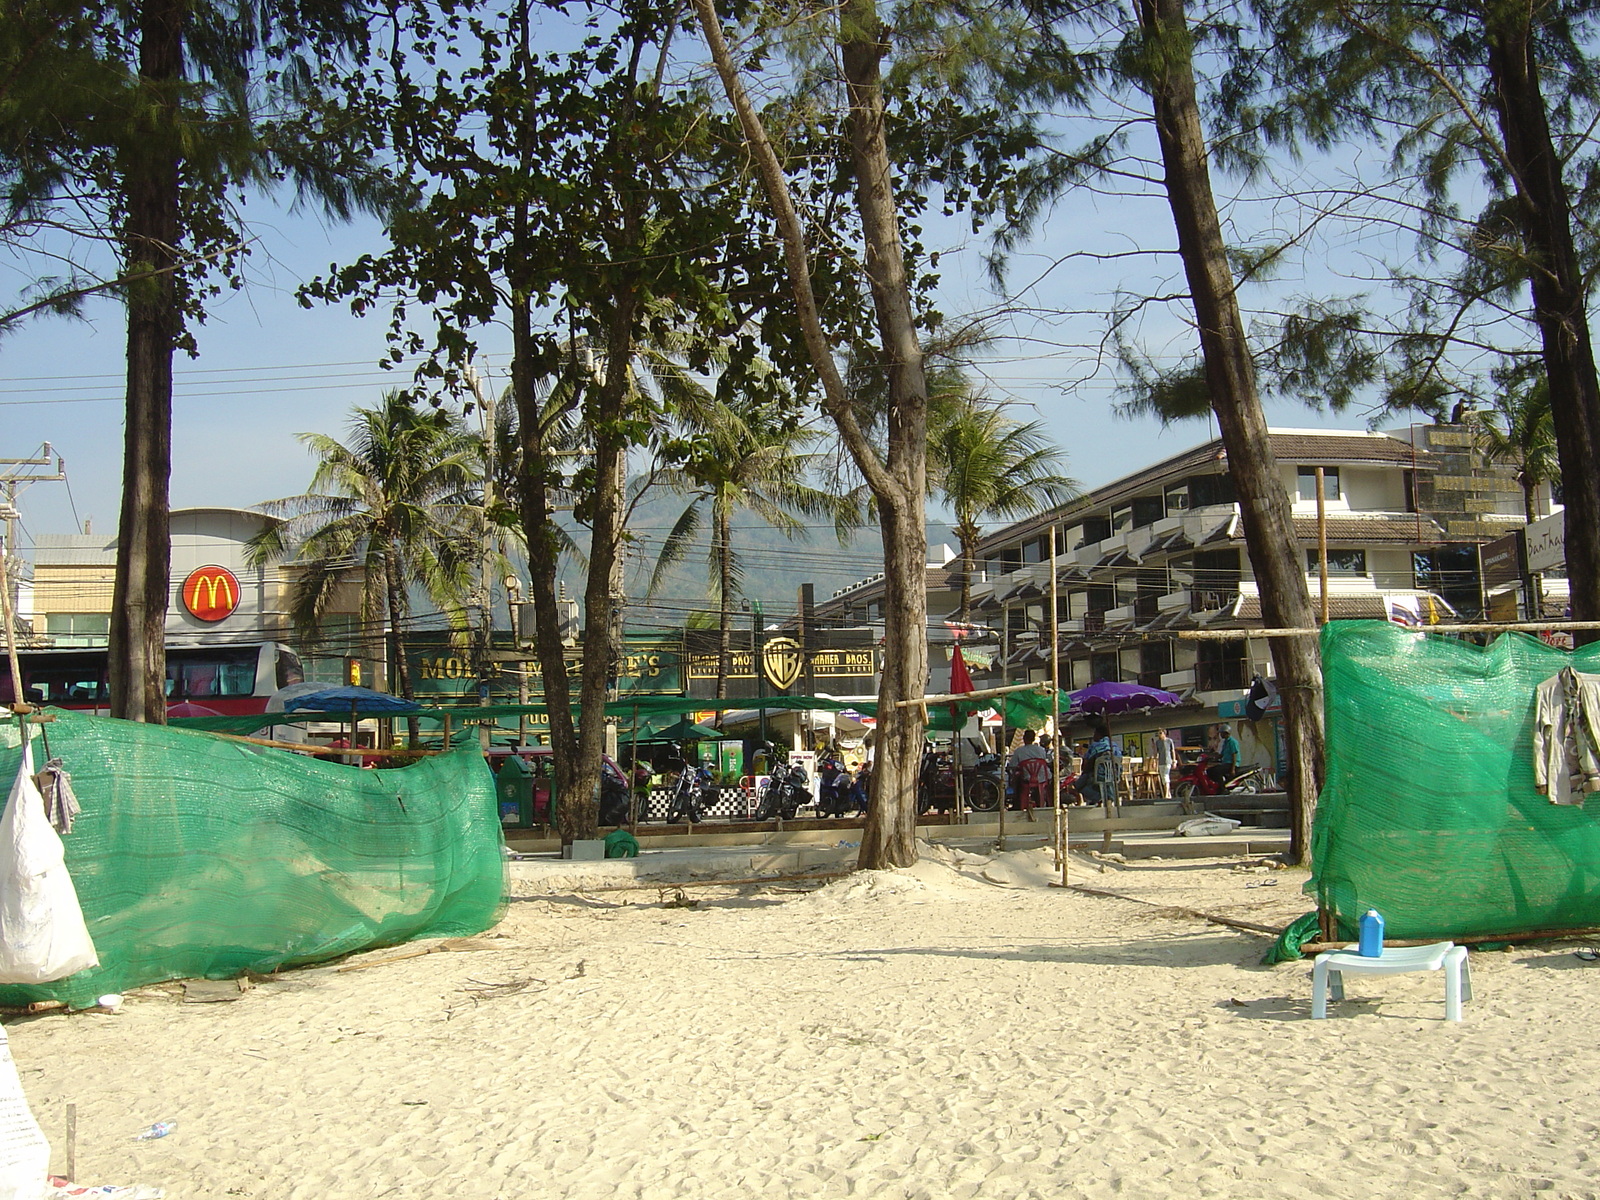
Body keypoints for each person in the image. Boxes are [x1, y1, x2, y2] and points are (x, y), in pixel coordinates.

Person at [1077, 723, 1120, 805]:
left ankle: (1098, 797)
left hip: (1099, 776)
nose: (1093, 736)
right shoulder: (1115, 746)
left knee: (1078, 785)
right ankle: (1107, 798)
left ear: (1099, 734)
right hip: (1114, 776)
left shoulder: (1095, 746)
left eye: (1094, 734)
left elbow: (1086, 767)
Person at [1210, 723, 1241, 787]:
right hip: (1225, 763)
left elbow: (1234, 755)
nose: (1221, 735)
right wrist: (1211, 757)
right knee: (1211, 770)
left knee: (1216, 771)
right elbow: (1221, 754)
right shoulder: (1225, 742)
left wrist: (1233, 769)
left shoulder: (1232, 742)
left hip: (1231, 764)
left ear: (1226, 733)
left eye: (1222, 733)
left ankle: (1222, 787)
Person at [1152, 728, 1176, 799]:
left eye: (1160, 733)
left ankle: (1166, 795)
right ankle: (1168, 794)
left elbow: (1172, 751)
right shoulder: (1158, 742)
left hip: (1168, 761)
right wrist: (1154, 761)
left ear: (1164, 733)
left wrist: (1174, 760)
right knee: (1163, 779)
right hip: (1160, 762)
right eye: (1158, 733)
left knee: (1166, 777)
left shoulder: (1169, 741)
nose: (1159, 735)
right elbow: (1156, 753)